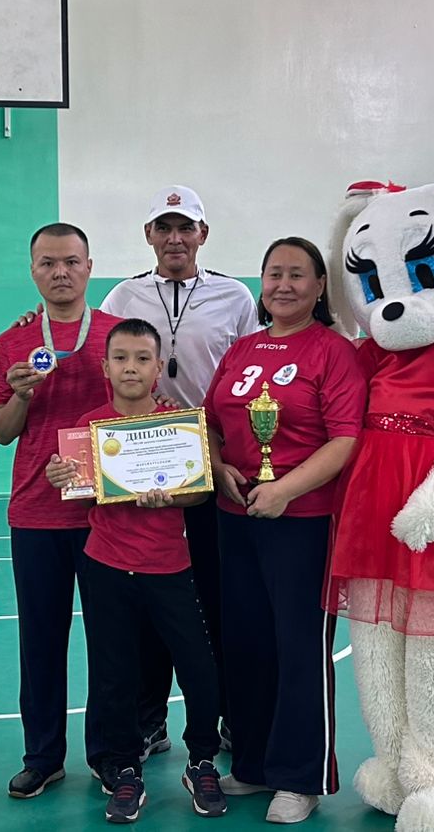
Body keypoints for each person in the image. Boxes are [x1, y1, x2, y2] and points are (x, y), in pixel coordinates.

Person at [202, 237, 366, 824]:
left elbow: (345, 439)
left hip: (303, 523)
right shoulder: (241, 349)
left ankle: (301, 777)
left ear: (320, 286)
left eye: (298, 274)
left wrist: (286, 489)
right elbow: (209, 421)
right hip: (235, 518)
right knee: (245, 643)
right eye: (274, 273)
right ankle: (252, 764)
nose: (284, 285)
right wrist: (217, 466)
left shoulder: (334, 352)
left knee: (299, 648)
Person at [43, 318, 228, 823]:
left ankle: (202, 759)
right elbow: (80, 490)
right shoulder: (89, 428)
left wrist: (171, 496)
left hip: (170, 567)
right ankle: (125, 769)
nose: (131, 367)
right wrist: (62, 474)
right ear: (105, 367)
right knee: (114, 675)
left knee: (199, 669)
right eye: (121, 358)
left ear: (157, 367)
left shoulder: (177, 424)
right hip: (107, 567)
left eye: (142, 358)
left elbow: (198, 494)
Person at [98, 185, 257, 760]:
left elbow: (249, 376)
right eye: (163, 228)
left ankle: (226, 717)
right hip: (143, 467)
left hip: (211, 465)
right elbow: (101, 361)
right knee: (148, 600)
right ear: (148, 235)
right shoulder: (123, 295)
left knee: (215, 598)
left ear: (202, 234)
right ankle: (149, 721)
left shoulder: (234, 296)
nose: (174, 238)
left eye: (185, 227)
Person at [0, 223, 122, 798]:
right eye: (47, 263)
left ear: (89, 266)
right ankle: (42, 756)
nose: (60, 272)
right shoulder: (13, 341)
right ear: (33, 271)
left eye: (70, 261)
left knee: (111, 643)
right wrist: (22, 395)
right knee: (40, 642)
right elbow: (0, 431)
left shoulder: (117, 334)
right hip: (36, 515)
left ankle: (110, 755)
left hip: (106, 515)